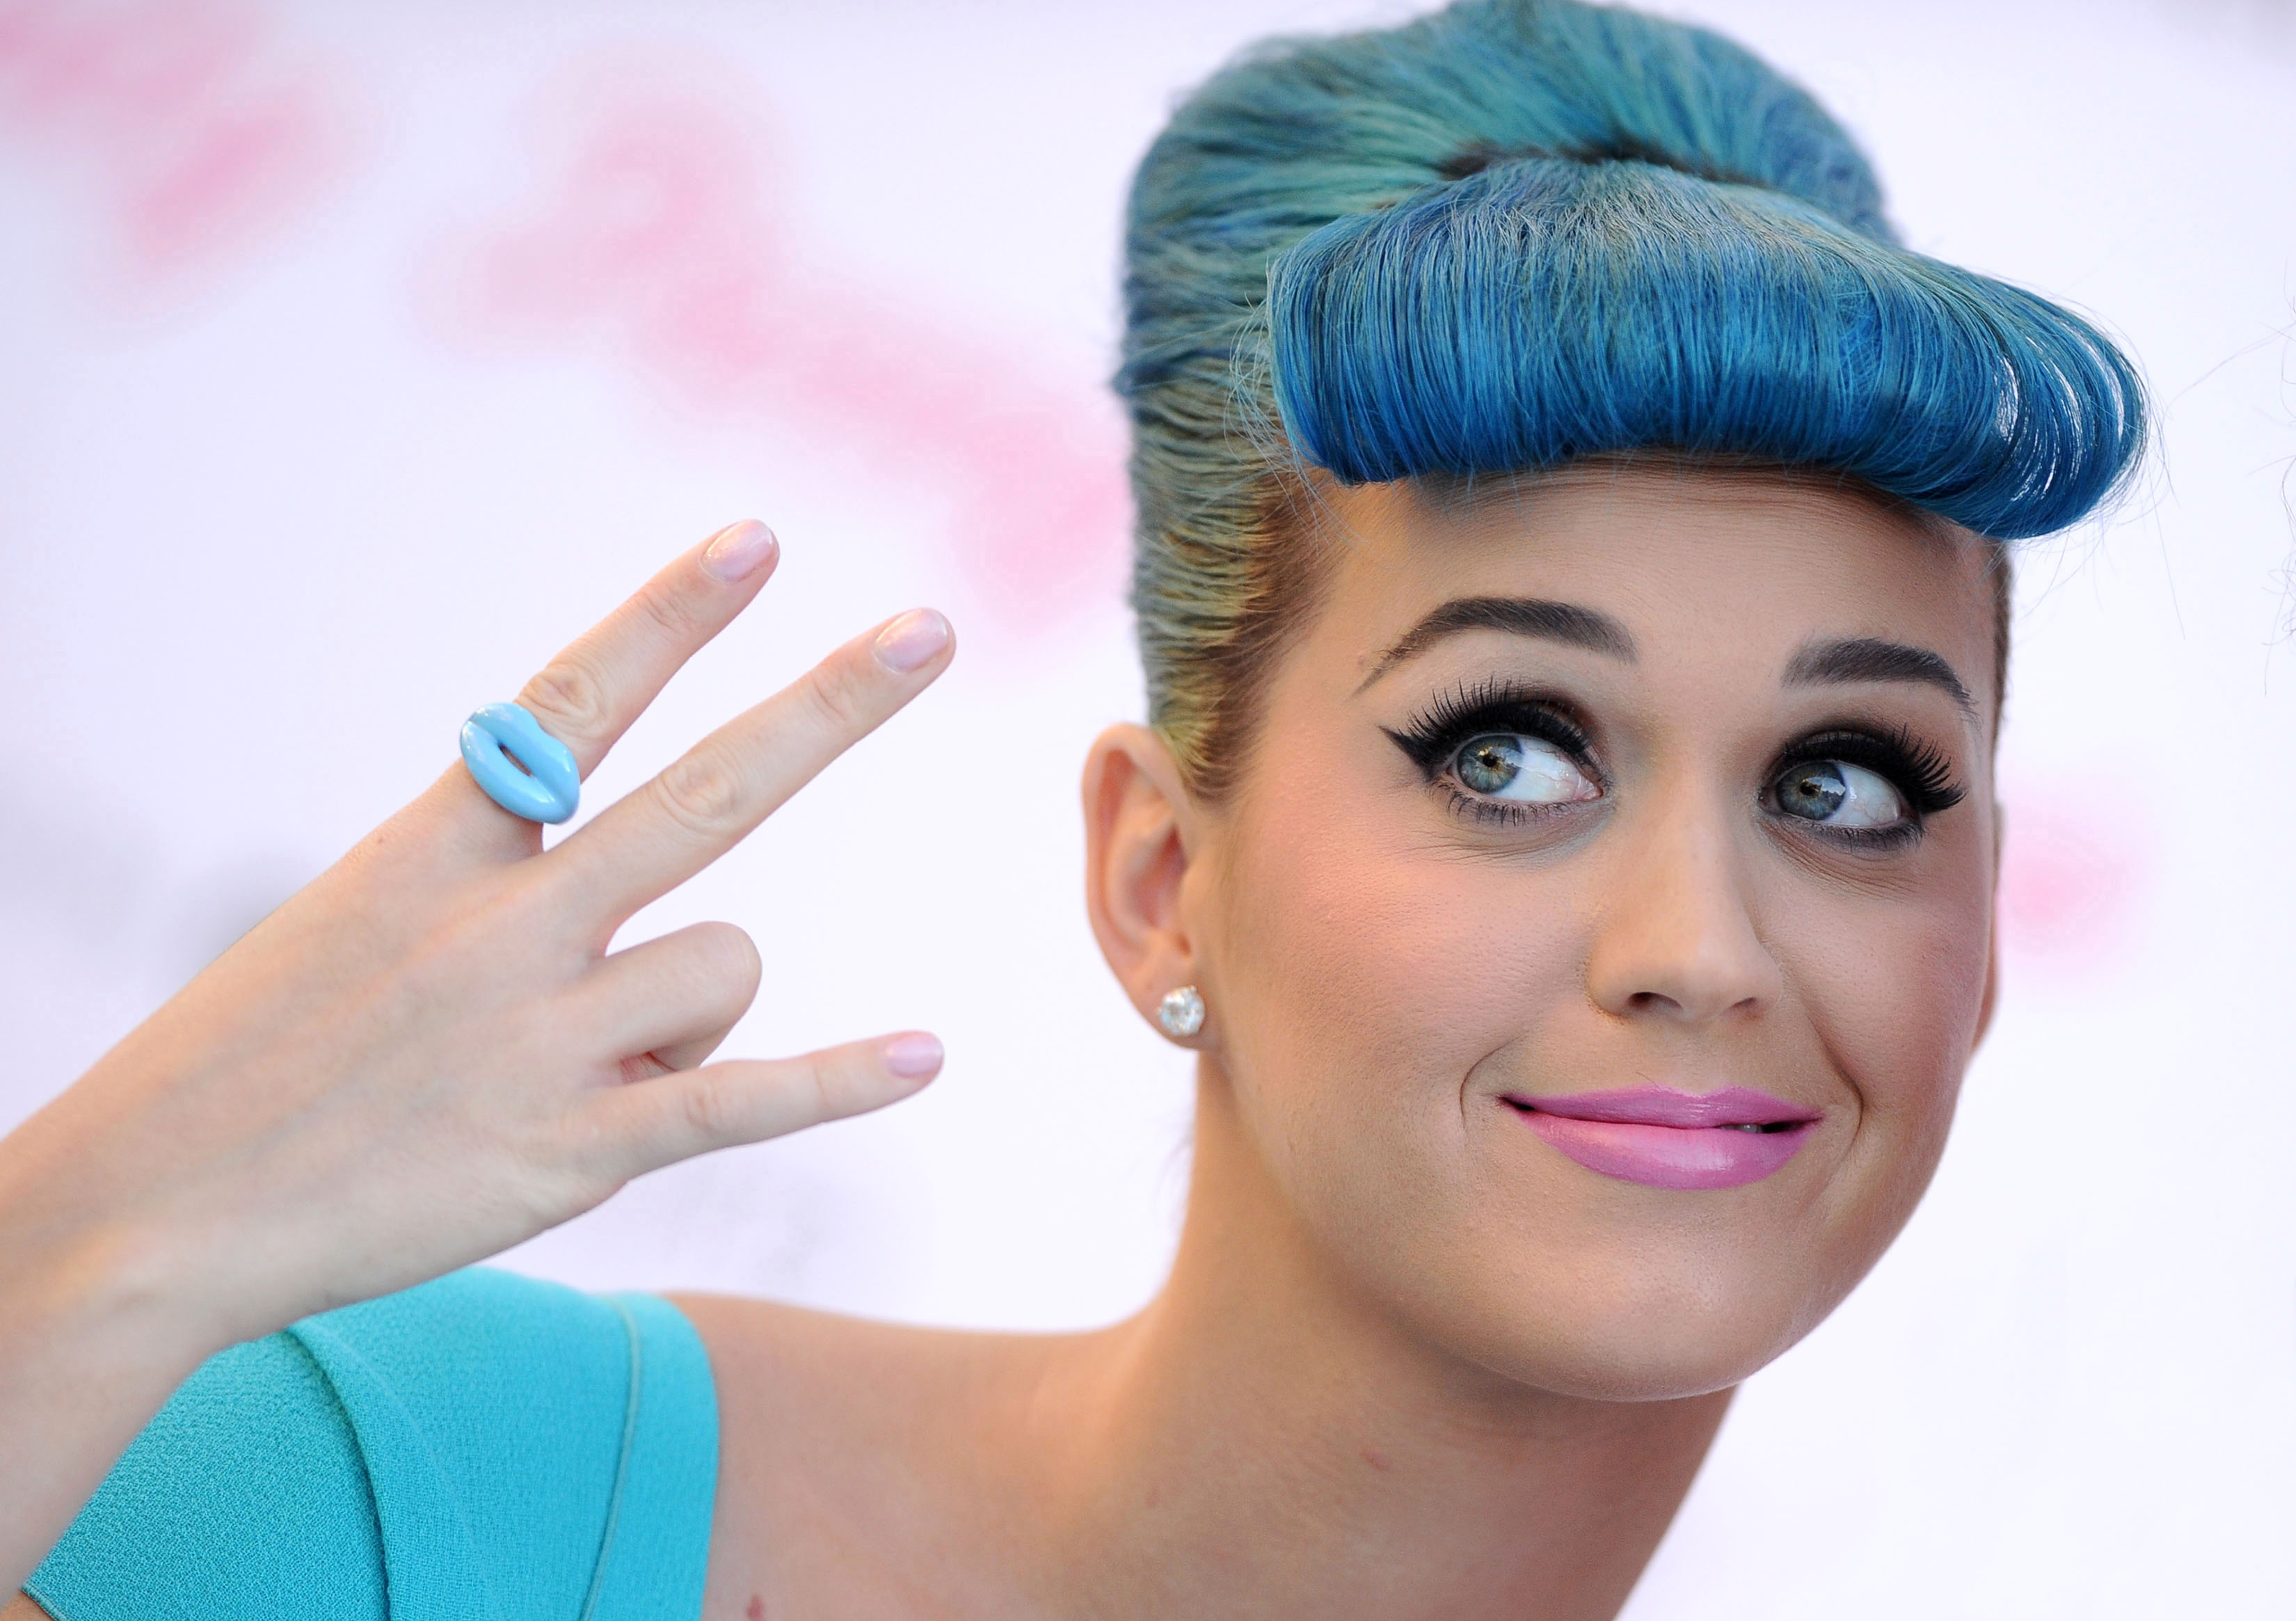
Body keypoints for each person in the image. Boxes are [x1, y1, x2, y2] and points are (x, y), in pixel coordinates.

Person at [0, 1, 2144, 1617]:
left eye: (1844, 782)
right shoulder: (381, 1489)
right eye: (1507, 753)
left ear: (1972, 940)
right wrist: (82, 1245)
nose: (1697, 943)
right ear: (1157, 880)